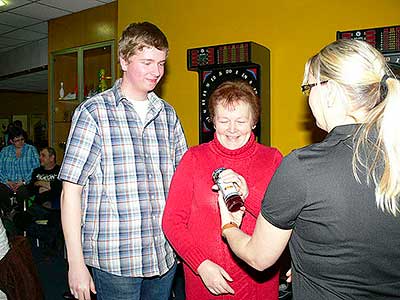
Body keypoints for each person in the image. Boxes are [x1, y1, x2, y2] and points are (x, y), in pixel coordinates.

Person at [218, 39, 400, 299]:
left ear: (330, 92)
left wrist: (229, 226)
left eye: (308, 87)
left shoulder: (302, 167)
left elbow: (259, 258)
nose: (308, 97)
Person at [59, 21, 187, 300]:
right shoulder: (93, 113)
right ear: (123, 60)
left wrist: (181, 243)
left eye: (161, 63)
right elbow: (71, 192)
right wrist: (76, 263)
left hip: (163, 256)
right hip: (115, 259)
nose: (156, 72)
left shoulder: (168, 115)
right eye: (147, 62)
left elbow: (182, 186)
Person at [162, 80, 283, 299]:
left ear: (254, 121)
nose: (232, 129)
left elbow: (283, 219)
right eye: (224, 120)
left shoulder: (272, 159)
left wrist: (248, 195)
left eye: (241, 121)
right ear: (213, 122)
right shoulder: (194, 158)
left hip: (259, 282)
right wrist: (200, 264)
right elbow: (172, 221)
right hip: (206, 281)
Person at [0, 127, 39, 214]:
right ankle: (9, 212)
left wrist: (24, 181)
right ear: (11, 141)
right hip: (8, 183)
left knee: (23, 192)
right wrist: (7, 181)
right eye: (17, 140)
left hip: (25, 183)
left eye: (22, 139)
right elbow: (0, 169)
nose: (21, 142)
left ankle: (23, 213)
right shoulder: (4, 151)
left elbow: (36, 168)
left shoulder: (31, 149)